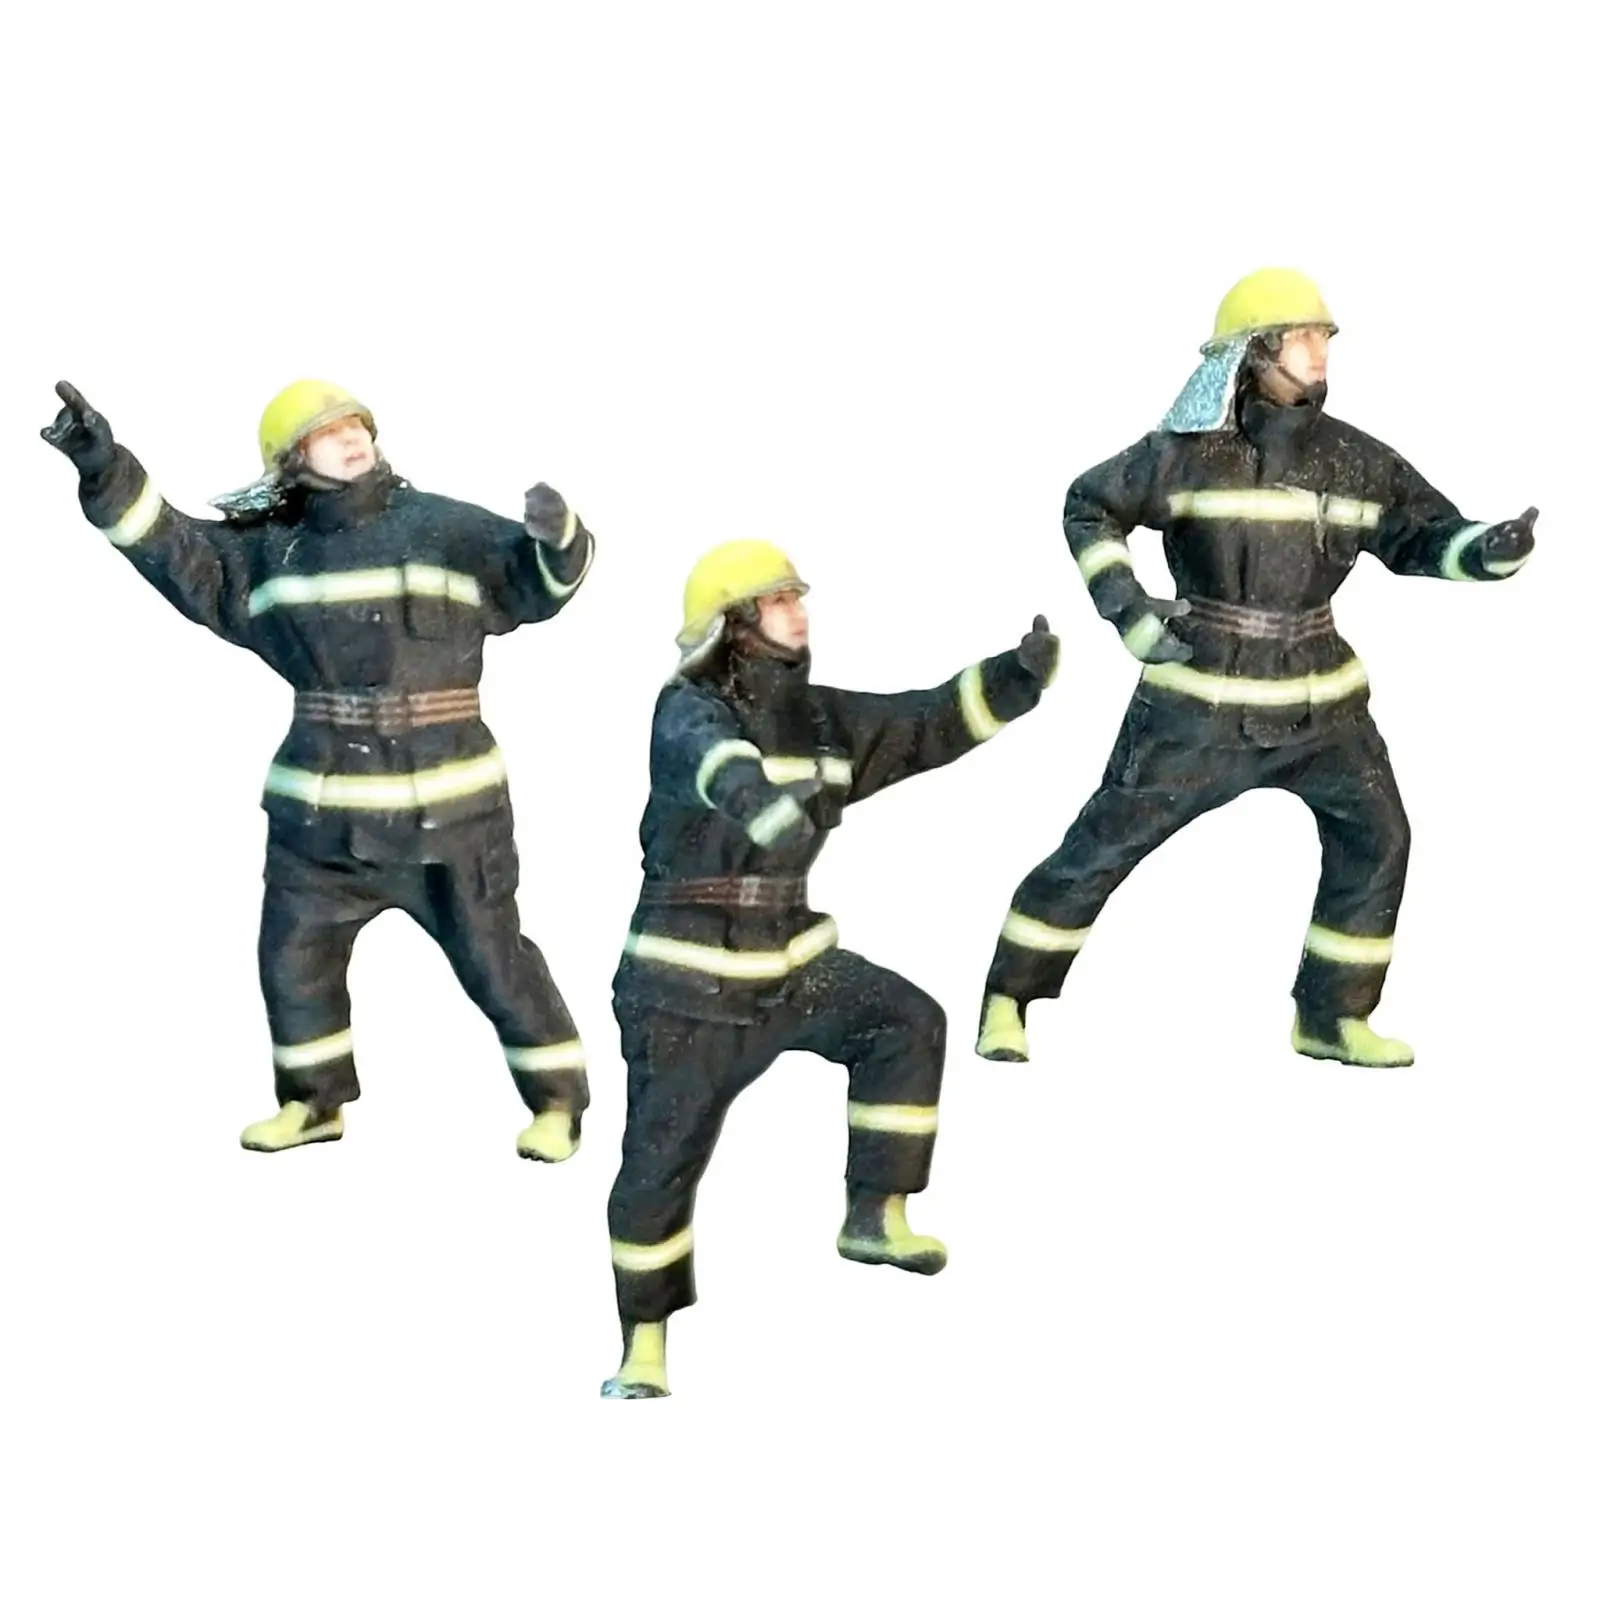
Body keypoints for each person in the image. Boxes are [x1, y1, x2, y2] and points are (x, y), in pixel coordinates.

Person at [975, 269, 1537, 1070]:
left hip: (1322, 711)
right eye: (1301, 336)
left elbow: (1422, 535)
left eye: (1324, 335)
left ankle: (1332, 1017)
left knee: (1379, 836)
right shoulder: (1184, 456)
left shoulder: (1356, 460)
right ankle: (1009, 997)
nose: (1320, 350)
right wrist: (1128, 610)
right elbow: (1090, 505)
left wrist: (1486, 551)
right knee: (1105, 844)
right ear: (1252, 352)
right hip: (1198, 705)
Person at [43, 379, 595, 1157]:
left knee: (494, 959)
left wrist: (560, 540)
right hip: (321, 824)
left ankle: (558, 1103)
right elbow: (177, 551)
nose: (351, 437)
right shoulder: (270, 553)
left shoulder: (444, 528)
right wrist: (103, 468)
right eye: (326, 432)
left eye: (355, 424)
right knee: (292, 960)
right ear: (290, 461)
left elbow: (537, 584)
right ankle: (312, 1103)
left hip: (448, 820)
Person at [602, 539, 1058, 1396]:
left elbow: (920, 725)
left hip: (790, 966)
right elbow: (714, 760)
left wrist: (1014, 679)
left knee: (904, 1023)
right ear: (734, 625)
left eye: (796, 596)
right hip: (688, 988)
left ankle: (875, 1215)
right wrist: (763, 809)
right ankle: (644, 1346)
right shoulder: (687, 708)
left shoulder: (817, 720)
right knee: (659, 1166)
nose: (798, 612)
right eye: (778, 600)